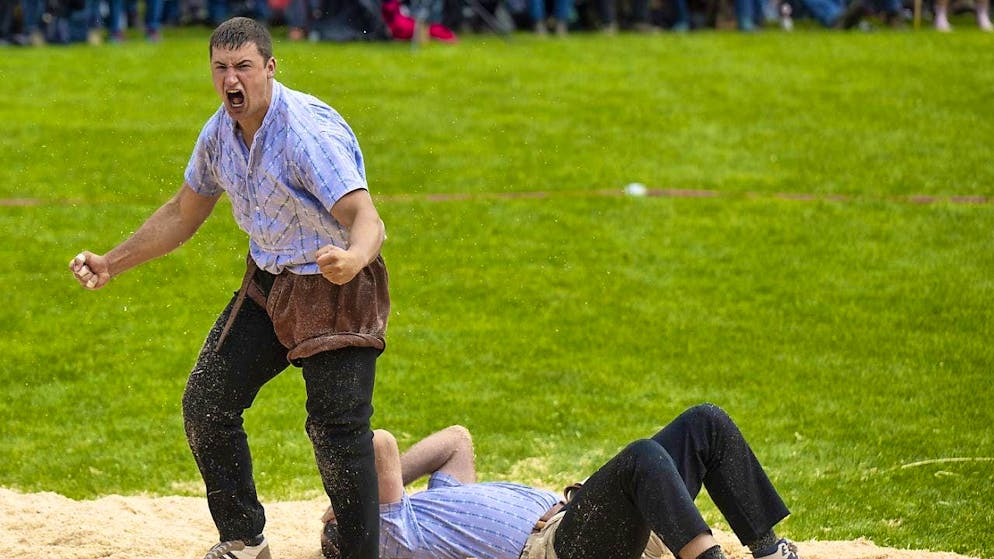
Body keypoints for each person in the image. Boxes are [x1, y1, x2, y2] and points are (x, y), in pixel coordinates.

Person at [69, 16, 390, 559]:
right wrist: (110, 263)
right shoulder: (219, 134)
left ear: (270, 67)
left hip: (337, 288)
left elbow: (367, 218)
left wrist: (353, 259)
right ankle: (244, 541)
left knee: (337, 431)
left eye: (243, 66)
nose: (231, 79)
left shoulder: (306, 136)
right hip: (269, 284)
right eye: (221, 68)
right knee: (207, 405)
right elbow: (182, 212)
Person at [321, 403, 803, 559]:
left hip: (596, 526)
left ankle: (768, 549)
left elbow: (456, 440)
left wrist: (361, 496)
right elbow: (380, 443)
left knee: (705, 423)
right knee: (642, 457)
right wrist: (345, 498)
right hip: (559, 549)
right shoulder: (393, 531)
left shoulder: (432, 507)